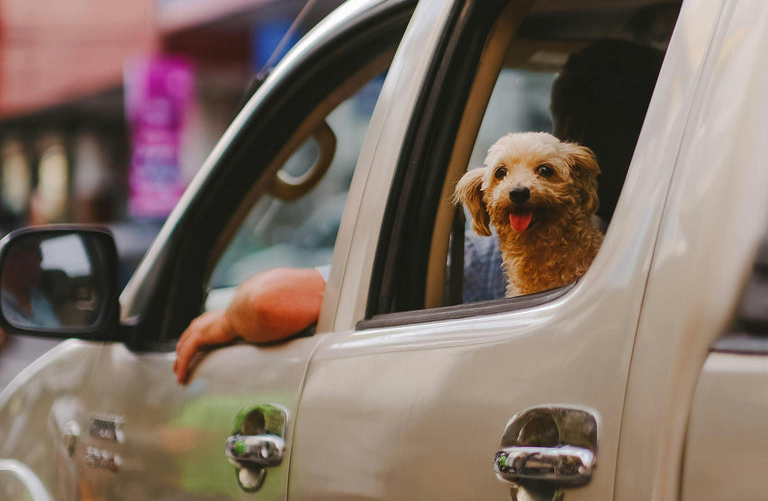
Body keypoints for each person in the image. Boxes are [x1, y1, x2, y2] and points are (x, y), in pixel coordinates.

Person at [174, 39, 663, 383]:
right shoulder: (682, 244)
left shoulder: (485, 260)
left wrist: (225, 321)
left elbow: (270, 303)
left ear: (568, 148)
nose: (521, 188)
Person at [1, 239, 61, 329]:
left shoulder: (38, 296)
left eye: (39, 263)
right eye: (37, 263)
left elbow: (55, 328)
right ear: (11, 262)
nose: (40, 270)